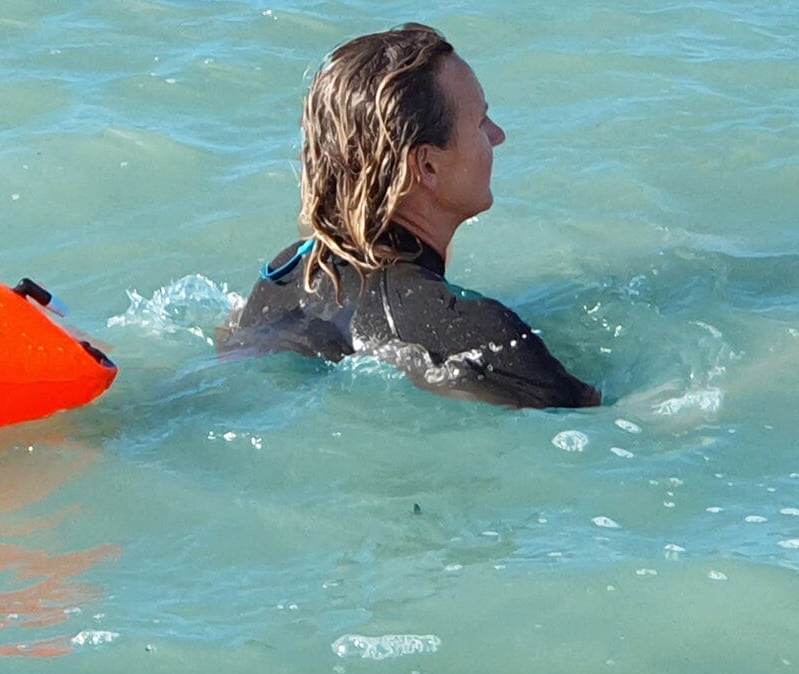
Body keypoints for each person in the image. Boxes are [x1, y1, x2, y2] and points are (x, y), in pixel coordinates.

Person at [220, 23, 601, 409]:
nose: (498, 135)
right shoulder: (474, 330)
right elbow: (598, 424)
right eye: (481, 122)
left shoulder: (282, 275)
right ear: (427, 166)